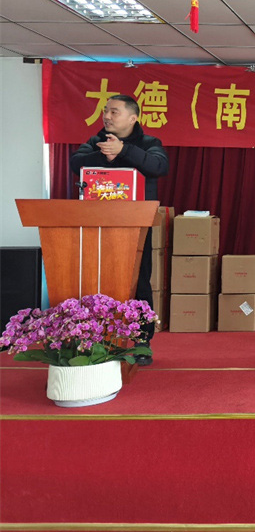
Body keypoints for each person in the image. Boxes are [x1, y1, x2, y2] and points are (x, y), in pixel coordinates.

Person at [70, 94, 169, 366]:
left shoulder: (150, 143)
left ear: (132, 117)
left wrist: (124, 150)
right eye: (106, 111)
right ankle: (96, 337)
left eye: (114, 111)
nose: (107, 116)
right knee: (96, 280)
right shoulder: (95, 141)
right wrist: (106, 152)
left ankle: (141, 340)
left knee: (139, 281)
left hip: (135, 226)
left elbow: (159, 166)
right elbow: (76, 164)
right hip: (98, 225)